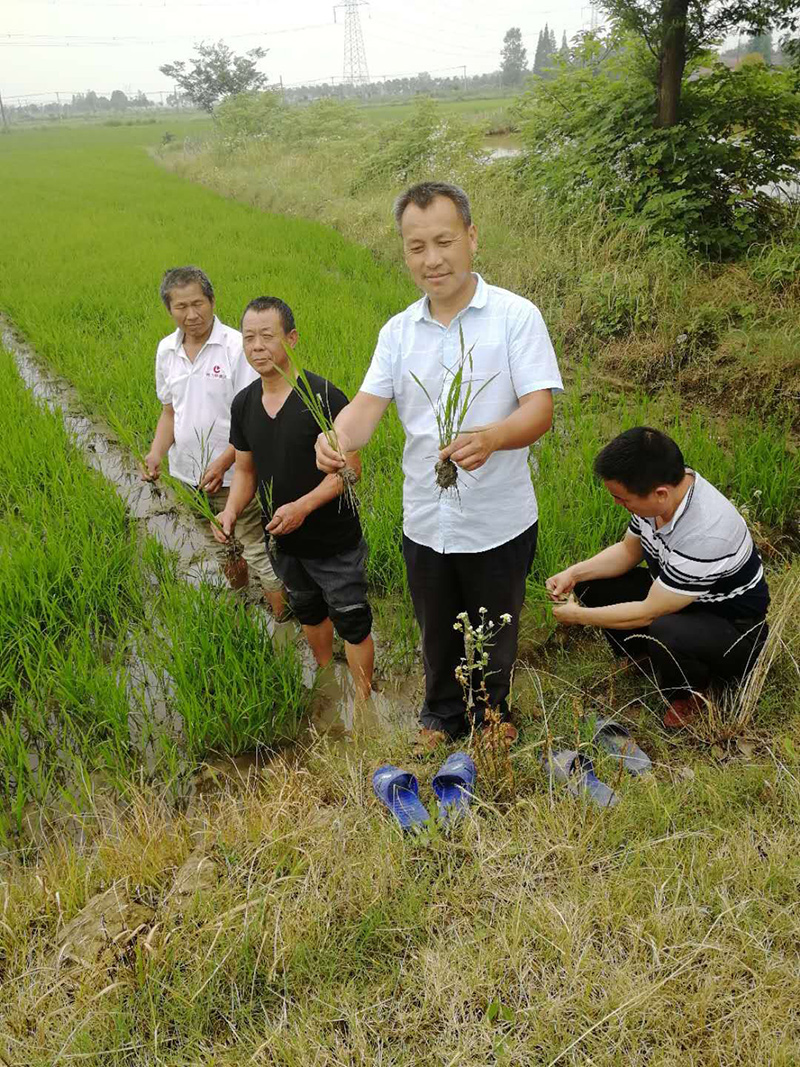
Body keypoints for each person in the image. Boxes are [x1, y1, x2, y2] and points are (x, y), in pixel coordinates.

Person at [315, 181, 563, 748]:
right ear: (404, 252)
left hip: (497, 516)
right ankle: (440, 714)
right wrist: (334, 439)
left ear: (472, 238)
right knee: (435, 628)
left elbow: (540, 409)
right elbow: (366, 410)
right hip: (426, 518)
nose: (433, 259)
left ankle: (492, 714)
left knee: (495, 627)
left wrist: (495, 436)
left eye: (444, 241)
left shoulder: (514, 317)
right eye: (416, 246)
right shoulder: (399, 332)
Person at [546, 427, 770, 728]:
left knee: (665, 628)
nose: (618, 504)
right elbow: (628, 551)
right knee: (590, 582)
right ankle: (645, 656)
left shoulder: (707, 530)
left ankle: (692, 692)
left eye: (622, 499)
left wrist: (579, 617)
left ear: (660, 493)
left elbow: (648, 612)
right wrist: (573, 573)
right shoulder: (658, 497)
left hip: (734, 629)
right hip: (679, 597)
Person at [213, 296, 375, 701]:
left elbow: (349, 470)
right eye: (249, 338)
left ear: (292, 338)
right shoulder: (244, 403)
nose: (257, 347)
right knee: (307, 609)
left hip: (332, 540)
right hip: (283, 539)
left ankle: (363, 700)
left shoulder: (323, 396)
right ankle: (326, 677)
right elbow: (246, 470)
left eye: (267, 336)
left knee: (352, 619)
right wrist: (231, 511)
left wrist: (303, 507)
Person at [142, 266, 285, 617]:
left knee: (254, 548)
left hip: (237, 473)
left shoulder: (237, 347)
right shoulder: (166, 351)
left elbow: (255, 420)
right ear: (169, 310)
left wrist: (224, 462)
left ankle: (283, 619)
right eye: (180, 307)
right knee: (222, 546)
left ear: (212, 301)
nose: (191, 315)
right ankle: (242, 601)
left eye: (197, 304)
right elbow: (170, 412)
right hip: (191, 476)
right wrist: (157, 453)